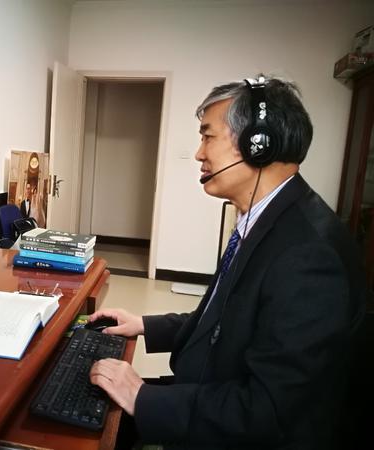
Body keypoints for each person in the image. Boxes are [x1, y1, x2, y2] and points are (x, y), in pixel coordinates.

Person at [88, 75, 366, 449]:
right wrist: (144, 325)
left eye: (208, 137)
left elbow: (269, 411)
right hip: (212, 395)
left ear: (258, 146)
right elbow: (227, 320)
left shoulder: (308, 256)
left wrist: (143, 397)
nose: (199, 153)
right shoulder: (267, 218)